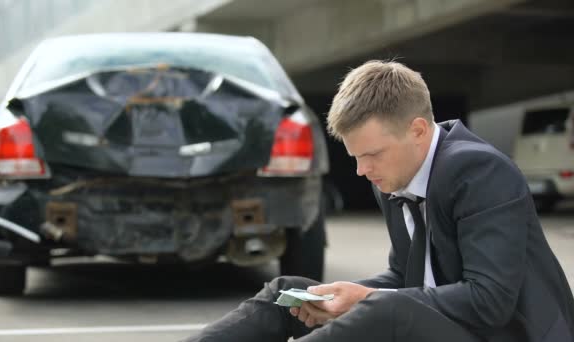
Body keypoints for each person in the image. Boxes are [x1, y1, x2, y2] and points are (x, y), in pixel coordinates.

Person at [182, 60, 574, 342]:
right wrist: (344, 296)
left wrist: (368, 300)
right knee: (289, 293)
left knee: (385, 311)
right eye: (355, 157)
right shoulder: (392, 174)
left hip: (511, 333)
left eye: (371, 155)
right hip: (446, 326)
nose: (361, 170)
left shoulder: (479, 172)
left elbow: (489, 302)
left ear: (418, 130)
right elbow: (405, 278)